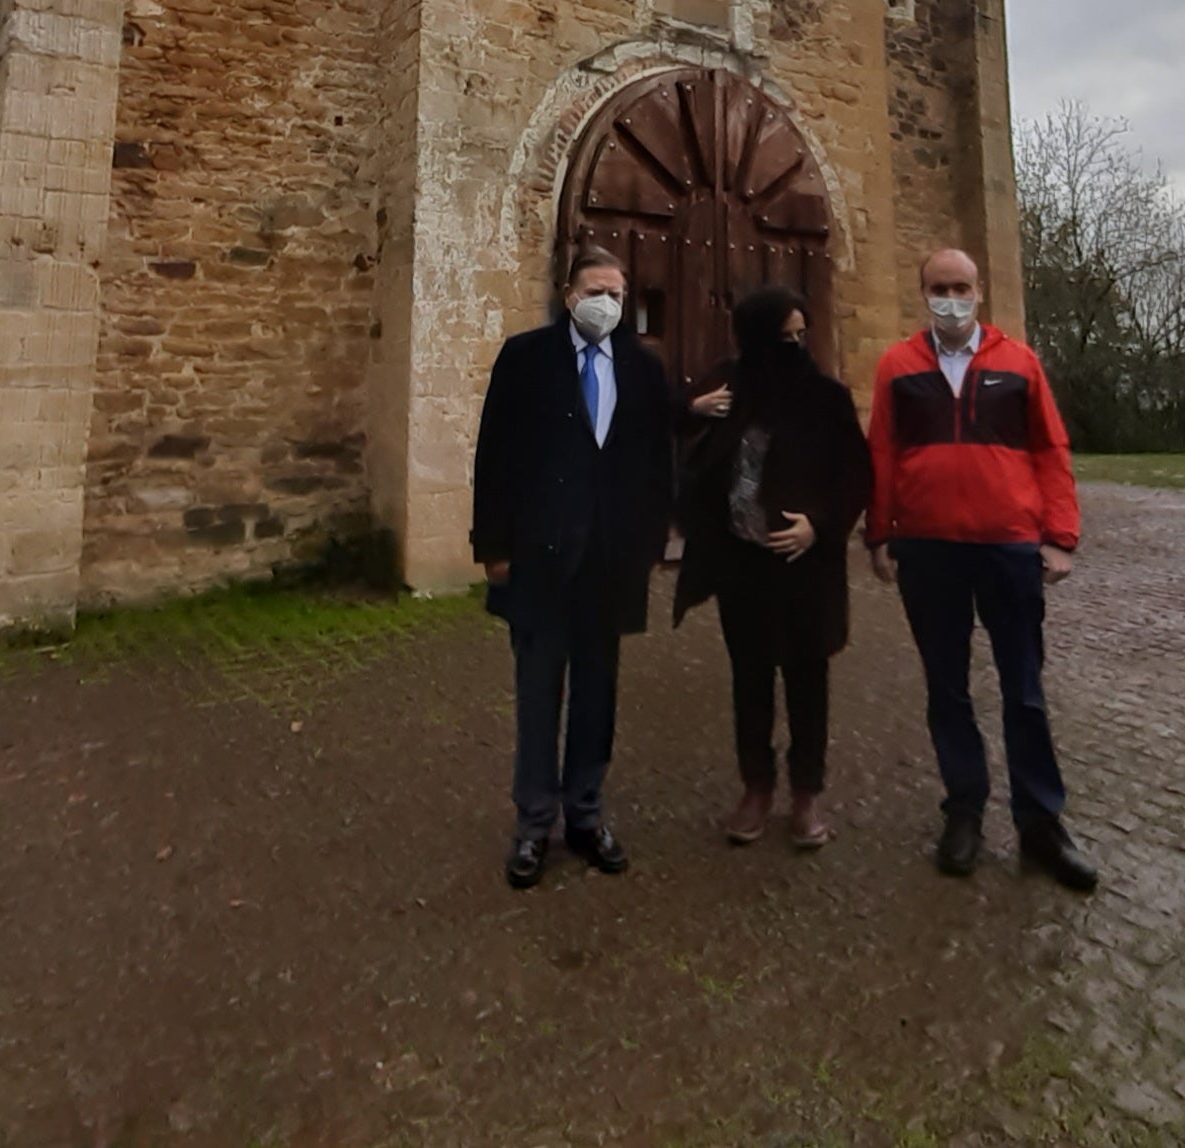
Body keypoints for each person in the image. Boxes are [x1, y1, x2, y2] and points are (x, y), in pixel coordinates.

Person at [864, 248, 1099, 892]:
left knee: (1024, 690)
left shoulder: (1019, 363)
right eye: (938, 288)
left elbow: (1050, 448)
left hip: (1009, 548)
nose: (950, 298)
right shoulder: (897, 365)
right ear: (923, 293)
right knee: (948, 690)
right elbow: (881, 451)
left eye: (961, 287)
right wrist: (879, 533)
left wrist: (1061, 537)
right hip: (928, 549)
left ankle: (1041, 823)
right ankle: (963, 810)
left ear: (979, 293)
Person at [471, 246, 676, 890]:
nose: (607, 304)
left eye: (617, 294)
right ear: (569, 295)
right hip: (539, 559)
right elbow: (495, 455)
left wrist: (650, 544)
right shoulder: (526, 358)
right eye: (596, 291)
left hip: (610, 566)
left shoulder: (643, 370)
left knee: (597, 698)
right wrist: (493, 548)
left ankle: (586, 816)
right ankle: (534, 822)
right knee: (538, 696)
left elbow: (654, 464)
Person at [674, 286, 868, 850]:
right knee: (751, 678)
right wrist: (693, 411)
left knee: (808, 678)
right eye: (783, 337)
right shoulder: (727, 383)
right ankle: (756, 786)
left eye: (801, 336)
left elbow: (853, 473)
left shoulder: (825, 397)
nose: (794, 346)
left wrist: (820, 525)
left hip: (805, 565)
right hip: (742, 565)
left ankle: (806, 792)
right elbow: (681, 436)